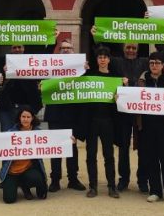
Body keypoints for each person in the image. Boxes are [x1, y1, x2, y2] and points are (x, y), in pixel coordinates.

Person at [134, 50, 164, 205]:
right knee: (151, 160)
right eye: (151, 63)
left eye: (157, 63)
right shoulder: (142, 80)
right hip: (147, 126)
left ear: (163, 65)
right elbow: (133, 98)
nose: (154, 65)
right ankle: (155, 190)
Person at [43, 39, 85, 192]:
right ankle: (55, 179)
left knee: (72, 148)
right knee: (56, 148)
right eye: (63, 48)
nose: (66, 50)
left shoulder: (81, 69)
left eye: (69, 48)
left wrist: (86, 70)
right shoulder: (50, 68)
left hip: (73, 114)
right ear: (58, 51)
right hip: (55, 113)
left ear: (74, 51)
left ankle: (73, 178)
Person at [84, 45, 122, 198]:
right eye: (100, 57)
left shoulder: (115, 77)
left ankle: (112, 186)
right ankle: (93, 186)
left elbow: (122, 97)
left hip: (108, 120)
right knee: (90, 155)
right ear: (97, 59)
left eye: (105, 57)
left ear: (109, 59)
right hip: (92, 120)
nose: (102, 60)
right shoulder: (90, 75)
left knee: (109, 155)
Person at [0, 41, 44, 132]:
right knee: (7, 137)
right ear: (11, 49)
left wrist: (53, 41)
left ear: (23, 48)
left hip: (27, 106)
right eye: (14, 48)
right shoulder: (5, 61)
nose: (17, 50)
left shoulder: (32, 62)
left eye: (19, 47)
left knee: (26, 137)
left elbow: (48, 55)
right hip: (8, 107)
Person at [0, 106, 49, 203]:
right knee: (9, 200)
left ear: (32, 118)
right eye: (23, 116)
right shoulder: (11, 133)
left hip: (28, 169)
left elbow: (53, 142)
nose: (25, 119)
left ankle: (25, 186)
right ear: (19, 118)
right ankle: (18, 184)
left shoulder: (38, 133)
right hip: (12, 171)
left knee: (37, 181)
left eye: (28, 117)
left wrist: (67, 141)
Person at [117, 42, 147, 192]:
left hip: (141, 112)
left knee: (143, 147)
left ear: (137, 50)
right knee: (123, 147)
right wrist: (96, 37)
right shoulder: (117, 62)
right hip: (123, 112)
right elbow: (100, 53)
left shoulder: (144, 62)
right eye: (128, 48)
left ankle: (142, 180)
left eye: (134, 48)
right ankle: (124, 179)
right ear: (123, 49)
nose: (131, 50)